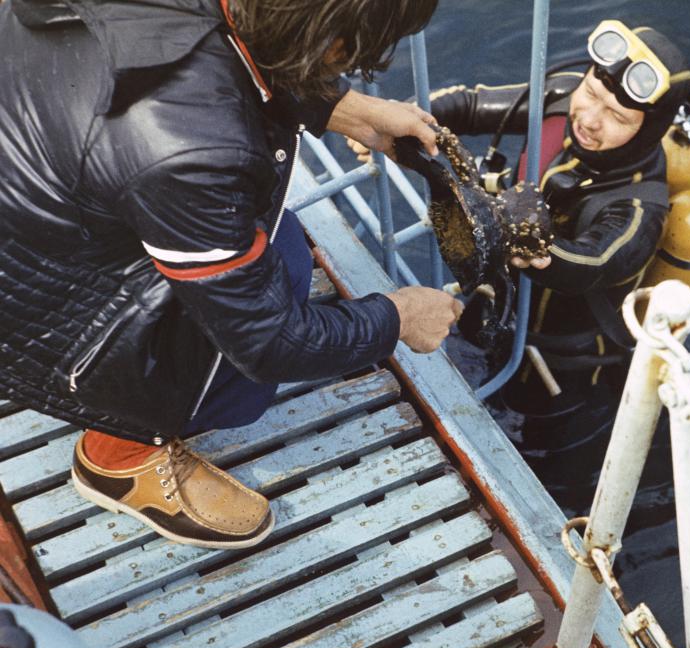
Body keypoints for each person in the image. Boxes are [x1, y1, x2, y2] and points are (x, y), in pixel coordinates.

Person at [0, 0, 464, 550]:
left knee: (266, 244)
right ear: (333, 45)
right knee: (281, 277)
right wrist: (399, 316)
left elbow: (192, 34)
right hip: (28, 307)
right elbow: (271, 341)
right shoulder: (192, 151)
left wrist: (344, 107)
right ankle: (120, 456)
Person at [385, 21, 690, 453]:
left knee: (532, 443)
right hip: (494, 304)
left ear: (647, 129)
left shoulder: (640, 209)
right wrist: (399, 122)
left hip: (555, 365)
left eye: (617, 117)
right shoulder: (561, 92)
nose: (589, 119)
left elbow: (593, 264)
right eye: (592, 94)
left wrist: (535, 245)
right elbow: (471, 105)